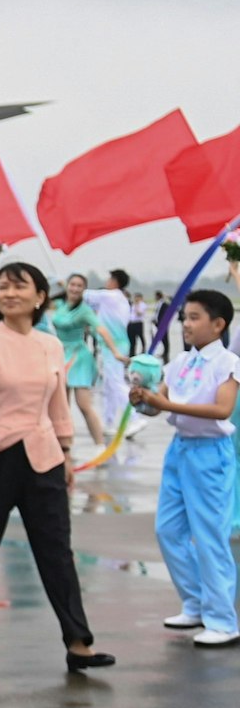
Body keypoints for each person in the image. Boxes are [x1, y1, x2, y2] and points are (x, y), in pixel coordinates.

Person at [0, 262, 113, 671]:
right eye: (2, 286)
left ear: (39, 297)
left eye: (18, 287)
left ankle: (78, 640)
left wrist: (66, 452)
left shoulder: (50, 344)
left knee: (56, 549)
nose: (8, 293)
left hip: (43, 456)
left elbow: (59, 404)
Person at [134, 289, 240, 647]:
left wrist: (164, 402)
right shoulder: (179, 363)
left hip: (211, 453)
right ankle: (195, 603)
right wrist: (142, 401)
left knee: (210, 537)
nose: (187, 324)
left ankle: (223, 620)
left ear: (218, 323)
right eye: (185, 317)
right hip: (179, 451)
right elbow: (158, 406)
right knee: (168, 530)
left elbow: (222, 409)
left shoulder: (228, 363)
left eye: (195, 317)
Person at [46, 274, 126, 445]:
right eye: (72, 284)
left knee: (84, 405)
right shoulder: (60, 304)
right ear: (66, 286)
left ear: (84, 290)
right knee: (61, 407)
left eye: (79, 286)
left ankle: (99, 444)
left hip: (78, 357)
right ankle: (64, 445)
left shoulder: (84, 310)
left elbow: (101, 329)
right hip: (60, 355)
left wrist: (115, 352)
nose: (75, 288)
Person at [89, 269, 135, 423]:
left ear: (115, 281)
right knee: (109, 386)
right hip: (114, 344)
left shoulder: (111, 296)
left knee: (116, 382)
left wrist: (65, 284)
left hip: (114, 346)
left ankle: (135, 418)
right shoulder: (119, 298)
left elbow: (83, 294)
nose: (107, 282)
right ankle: (109, 422)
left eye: (109, 279)